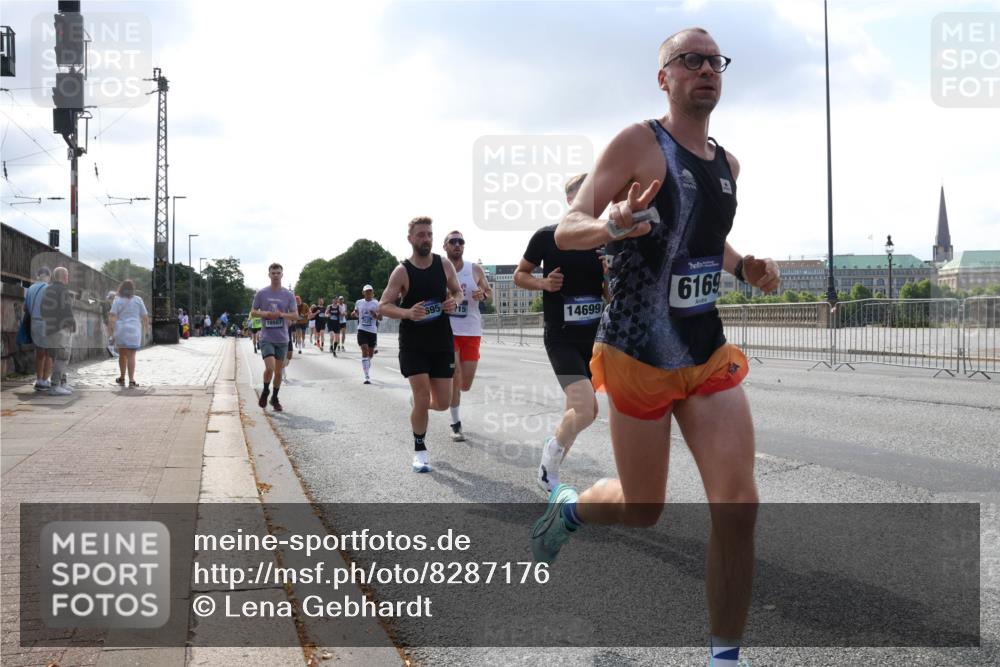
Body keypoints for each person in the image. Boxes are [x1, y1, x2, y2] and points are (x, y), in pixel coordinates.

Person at [531, 28, 781, 667]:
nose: (705, 68)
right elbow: (569, 224)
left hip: (705, 352)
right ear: (663, 77)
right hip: (639, 352)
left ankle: (724, 656)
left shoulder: (728, 165)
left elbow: (702, 240)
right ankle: (573, 509)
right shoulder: (639, 142)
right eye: (688, 60)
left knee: (738, 503)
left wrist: (742, 266)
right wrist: (611, 223)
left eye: (714, 60)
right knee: (644, 508)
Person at [514, 173, 604, 491]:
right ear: (570, 200)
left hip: (591, 340)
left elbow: (609, 295)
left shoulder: (604, 239)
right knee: (586, 409)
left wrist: (608, 279)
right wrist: (542, 282)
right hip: (562, 336)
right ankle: (547, 466)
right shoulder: (548, 236)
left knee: (576, 410)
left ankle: (549, 473)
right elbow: (519, 275)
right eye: (584, 194)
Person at [379, 216, 462, 473]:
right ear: (410, 239)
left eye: (429, 234)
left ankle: (417, 406)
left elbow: (458, 292)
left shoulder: (444, 264)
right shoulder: (402, 271)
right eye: (421, 235)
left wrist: (454, 301)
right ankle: (420, 450)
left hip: (441, 342)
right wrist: (407, 313)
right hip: (413, 344)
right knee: (422, 395)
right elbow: (384, 306)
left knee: (442, 402)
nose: (426, 239)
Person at [443, 230, 492, 442]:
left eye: (460, 241)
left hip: (471, 331)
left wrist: (483, 294)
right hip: (448, 330)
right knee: (454, 376)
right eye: (452, 241)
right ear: (445, 246)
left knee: (465, 383)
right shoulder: (440, 269)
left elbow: (488, 294)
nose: (457, 244)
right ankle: (456, 424)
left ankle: (432, 399)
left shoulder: (475, 269)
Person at [250, 263, 298, 412]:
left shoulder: (288, 295)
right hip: (267, 337)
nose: (276, 275)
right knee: (270, 368)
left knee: (278, 372)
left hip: (282, 338)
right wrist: (266, 314)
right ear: (269, 275)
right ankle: (265, 391)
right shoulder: (262, 293)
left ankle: (274, 398)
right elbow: (253, 312)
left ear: (282, 275)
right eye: (273, 273)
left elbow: (296, 315)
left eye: (278, 273)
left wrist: (282, 314)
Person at [39, 266, 76, 396]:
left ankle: (62, 383)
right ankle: (56, 385)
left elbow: (43, 310)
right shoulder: (62, 290)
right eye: (67, 275)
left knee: (57, 357)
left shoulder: (48, 289)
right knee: (62, 356)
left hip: (50, 328)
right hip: (61, 329)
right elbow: (67, 310)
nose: (68, 278)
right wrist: (70, 324)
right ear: (64, 277)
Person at [108, 279, 150, 387]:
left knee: (122, 355)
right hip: (134, 330)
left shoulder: (117, 300)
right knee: (131, 355)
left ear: (121, 288)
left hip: (121, 330)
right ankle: (131, 380)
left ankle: (122, 378)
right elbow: (145, 317)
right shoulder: (138, 300)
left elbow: (112, 316)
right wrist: (147, 330)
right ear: (132, 289)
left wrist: (111, 331)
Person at [25, 267, 53, 390]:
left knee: (39, 353)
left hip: (34, 322)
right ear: (48, 276)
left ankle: (38, 378)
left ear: (38, 275)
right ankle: (45, 379)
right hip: (46, 322)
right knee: (49, 353)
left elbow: (25, 308)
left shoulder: (30, 288)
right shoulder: (49, 288)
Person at [351, 285, 382, 384]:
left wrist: (375, 315)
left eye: (370, 291)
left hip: (372, 331)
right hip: (362, 329)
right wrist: (354, 313)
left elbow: (380, 318)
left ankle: (367, 363)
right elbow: (356, 312)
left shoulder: (376, 303)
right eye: (366, 291)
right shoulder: (359, 302)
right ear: (363, 293)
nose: (368, 293)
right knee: (364, 349)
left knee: (370, 354)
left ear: (372, 292)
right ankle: (366, 376)